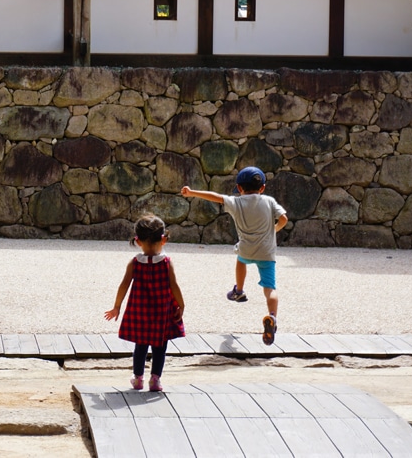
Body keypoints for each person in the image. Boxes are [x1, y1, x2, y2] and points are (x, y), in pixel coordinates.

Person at [181, 166, 287, 345]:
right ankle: (272, 316)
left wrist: (192, 193)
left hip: (246, 248)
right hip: (267, 252)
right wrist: (274, 230)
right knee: (270, 288)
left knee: (240, 260)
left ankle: (239, 290)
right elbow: (283, 218)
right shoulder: (269, 201)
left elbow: (215, 196)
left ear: (239, 188)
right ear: (262, 188)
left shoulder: (236, 203)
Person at [104, 214, 185, 392]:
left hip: (140, 312)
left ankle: (138, 378)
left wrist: (117, 306)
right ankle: (155, 379)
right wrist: (181, 305)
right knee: (160, 347)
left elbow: (124, 285)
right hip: (161, 313)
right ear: (163, 239)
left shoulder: (135, 263)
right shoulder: (166, 263)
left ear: (138, 241)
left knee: (140, 346)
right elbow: (174, 285)